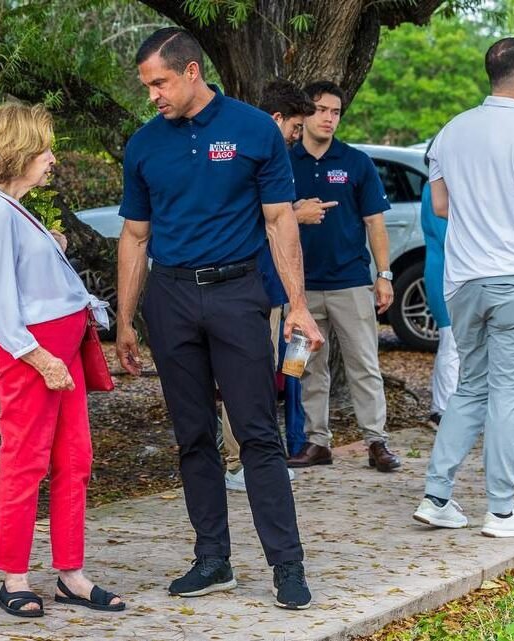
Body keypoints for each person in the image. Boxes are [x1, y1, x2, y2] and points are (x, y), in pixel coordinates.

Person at [116, 27, 325, 610]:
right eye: (146, 86)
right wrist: (126, 322)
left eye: (158, 82)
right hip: (171, 297)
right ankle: (213, 559)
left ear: (190, 72)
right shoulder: (144, 145)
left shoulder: (254, 128)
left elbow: (281, 221)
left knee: (257, 433)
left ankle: (287, 565)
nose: (152, 94)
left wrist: (299, 306)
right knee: (193, 437)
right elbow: (135, 236)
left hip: (237, 294)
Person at [0, 103, 125, 617]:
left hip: (60, 351)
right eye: (45, 147)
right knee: (25, 462)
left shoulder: (11, 207)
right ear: (19, 149)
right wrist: (38, 356)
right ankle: (13, 578)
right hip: (32, 355)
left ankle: (70, 574)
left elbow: (23, 271)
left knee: (73, 461)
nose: (53, 158)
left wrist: (47, 244)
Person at [412, 38, 514, 538]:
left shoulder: (451, 132)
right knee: (509, 394)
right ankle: (502, 509)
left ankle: (437, 495)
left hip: (462, 280)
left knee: (470, 388)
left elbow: (439, 205)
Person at [285, 80, 402, 472]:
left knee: (364, 364)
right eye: (321, 110)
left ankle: (376, 442)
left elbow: (375, 223)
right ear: (304, 114)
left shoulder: (356, 162)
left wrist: (383, 275)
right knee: (304, 367)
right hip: (299, 290)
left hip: (350, 283)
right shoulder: (283, 162)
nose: (329, 118)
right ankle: (316, 442)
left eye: (336, 112)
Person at [220, 79, 330, 491]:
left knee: (269, 376)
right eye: (295, 127)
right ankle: (237, 463)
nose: (297, 137)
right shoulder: (242, 157)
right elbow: (244, 221)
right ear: (277, 119)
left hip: (272, 290)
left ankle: (259, 457)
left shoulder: (268, 157)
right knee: (244, 378)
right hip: (244, 289)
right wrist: (293, 218)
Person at [420, 173, 458, 430]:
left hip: (455, 273)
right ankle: (441, 410)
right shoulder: (435, 188)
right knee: (451, 341)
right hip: (444, 273)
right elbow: (446, 235)